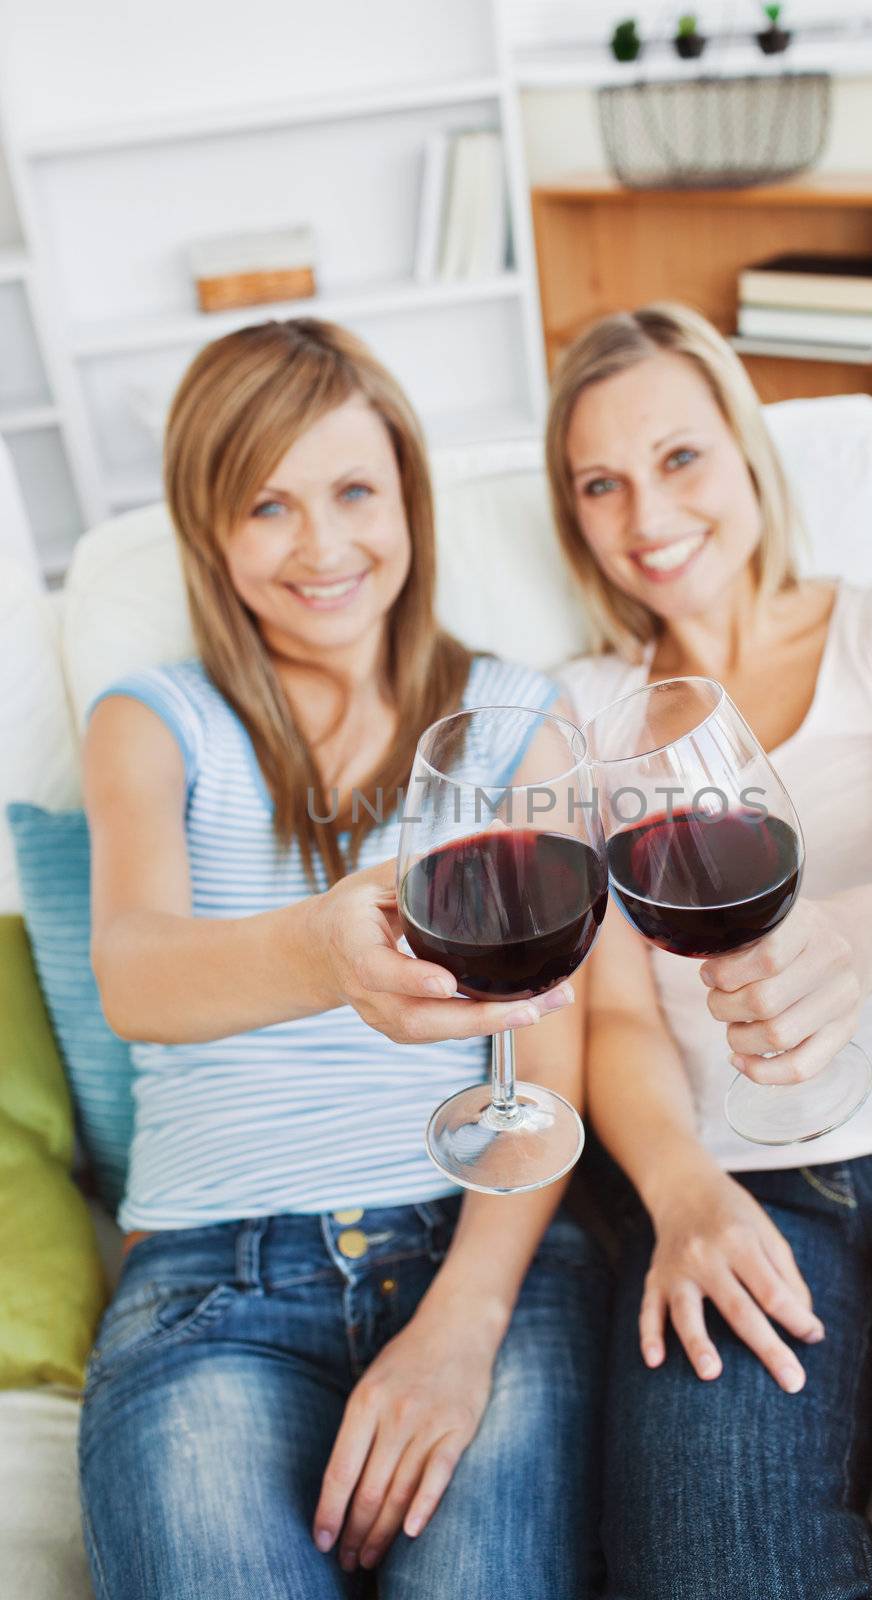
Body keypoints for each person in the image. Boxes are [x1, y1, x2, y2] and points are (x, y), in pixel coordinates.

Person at [79, 317, 607, 1600]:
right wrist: (325, 948)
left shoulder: (513, 720)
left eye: (354, 491)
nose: (323, 547)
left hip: (473, 1246)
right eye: (266, 505)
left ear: (409, 501)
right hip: (214, 1275)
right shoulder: (152, 725)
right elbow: (136, 971)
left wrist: (464, 1320)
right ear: (210, 534)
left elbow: (551, 1051)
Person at [547, 302, 872, 1599]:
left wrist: (845, 939)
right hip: (739, 1175)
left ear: (744, 451)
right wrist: (676, 1192)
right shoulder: (578, 710)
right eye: (598, 484)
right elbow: (610, 1015)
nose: (644, 516)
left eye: (677, 459)